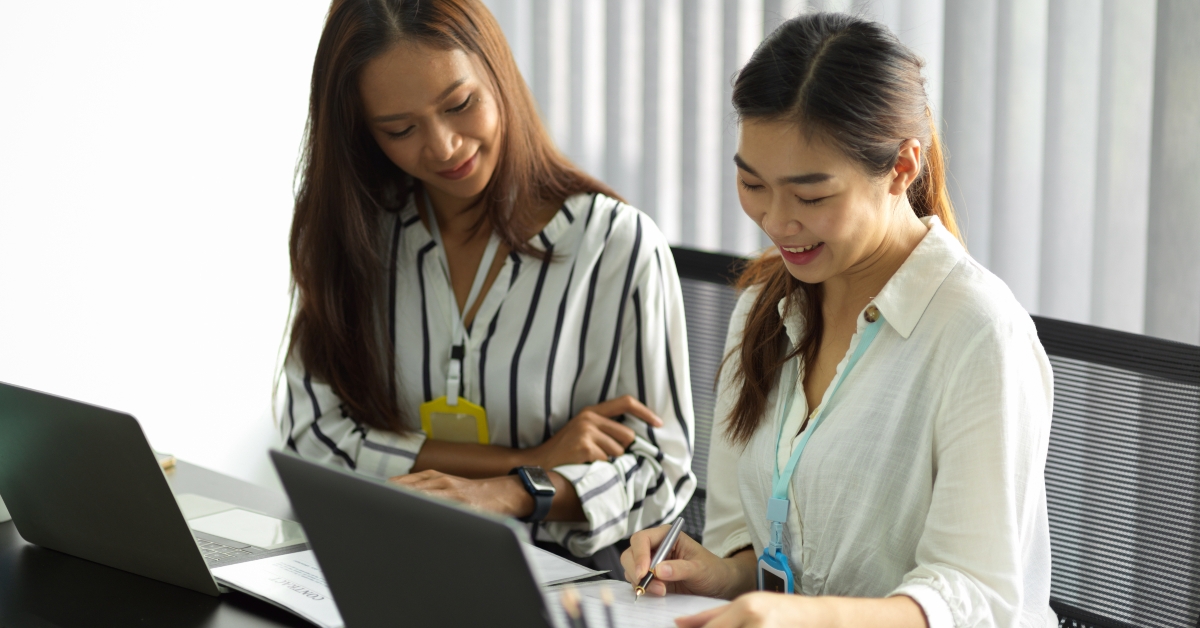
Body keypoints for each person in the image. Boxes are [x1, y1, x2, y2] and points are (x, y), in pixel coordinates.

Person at [622, 12, 1055, 628]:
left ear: (902, 168)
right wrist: (722, 573)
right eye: (752, 184)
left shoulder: (979, 333)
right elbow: (758, 546)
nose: (775, 221)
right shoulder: (762, 309)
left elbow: (974, 597)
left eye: (812, 196)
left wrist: (807, 617)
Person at [280, 0, 695, 573]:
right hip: (387, 564)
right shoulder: (356, 236)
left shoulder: (616, 246)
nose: (444, 146)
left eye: (460, 104)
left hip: (558, 582)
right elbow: (314, 439)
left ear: (499, 74)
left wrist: (512, 491)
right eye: (400, 129)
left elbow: (657, 474)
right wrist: (526, 459)